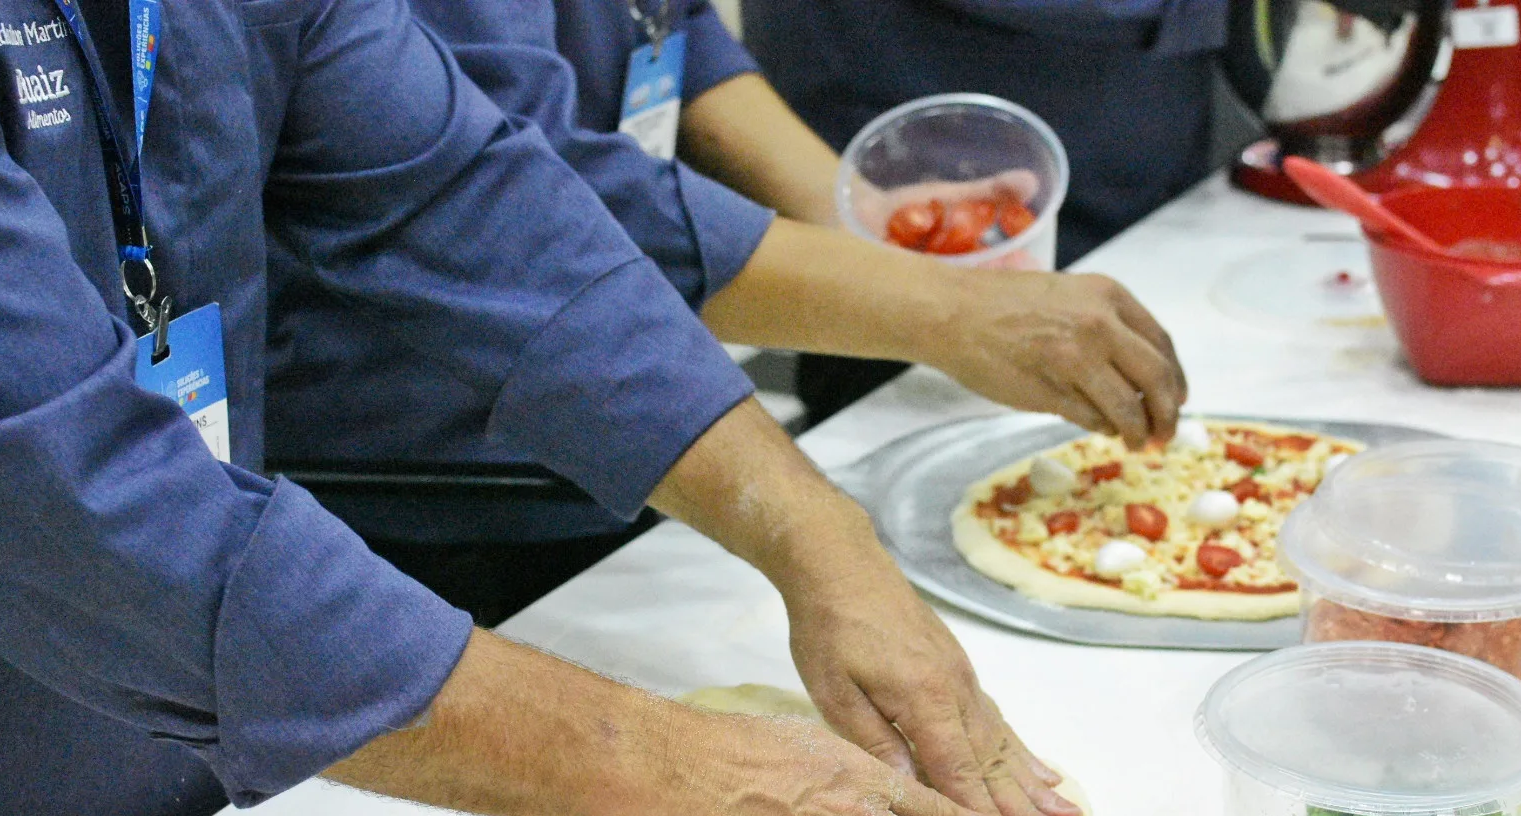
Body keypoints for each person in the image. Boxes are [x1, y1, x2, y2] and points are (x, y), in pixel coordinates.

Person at [0, 0, 1073, 816]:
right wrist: (663, 770)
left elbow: (467, 205)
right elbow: (76, 500)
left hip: (192, 778)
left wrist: (813, 529)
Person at [264, 0, 1186, 611]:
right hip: (435, 471)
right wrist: (937, 305)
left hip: (613, 425)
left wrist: (856, 218)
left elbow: (675, 34)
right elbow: (524, 205)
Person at [738, 0, 1225, 420]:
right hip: (897, 72)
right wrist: (935, 304)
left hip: (1141, 137)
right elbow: (670, 234)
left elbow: (688, 34)